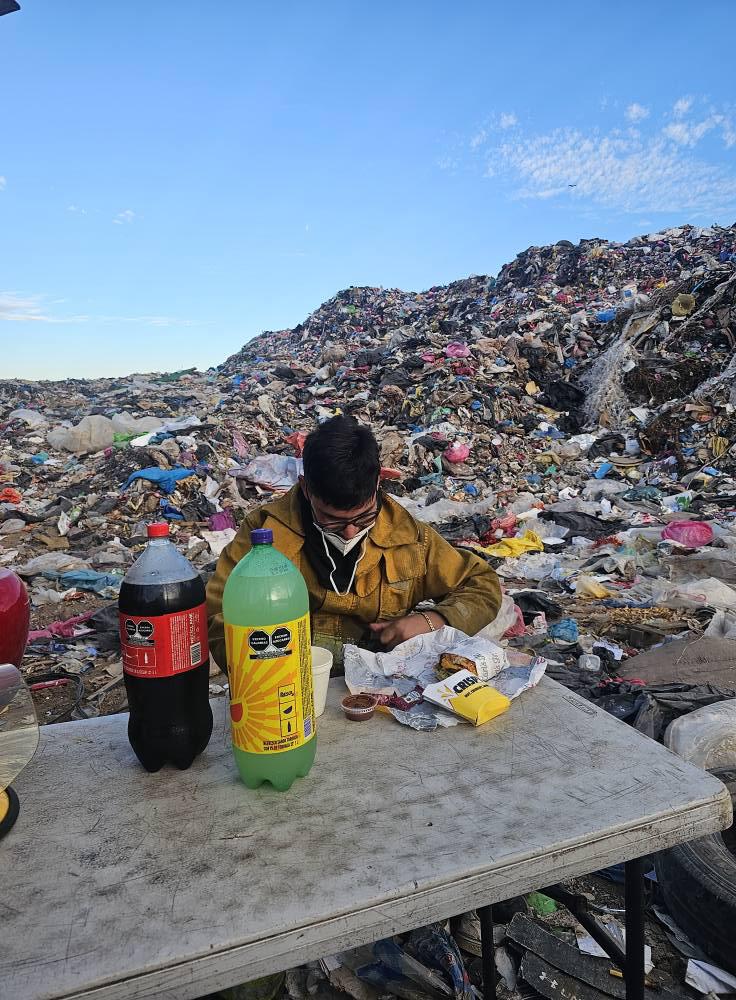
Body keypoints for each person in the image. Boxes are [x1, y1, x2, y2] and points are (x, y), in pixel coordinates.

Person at [207, 415, 501, 671]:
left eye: (362, 518)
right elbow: (218, 614)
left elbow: (481, 585)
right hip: (287, 689)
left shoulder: (410, 538)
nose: (349, 533)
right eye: (332, 520)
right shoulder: (265, 534)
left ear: (377, 485)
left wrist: (431, 621)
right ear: (306, 488)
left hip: (377, 695)